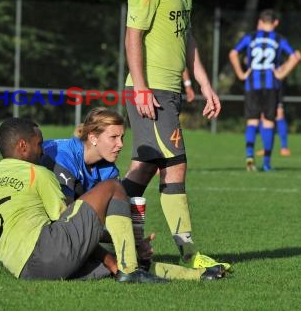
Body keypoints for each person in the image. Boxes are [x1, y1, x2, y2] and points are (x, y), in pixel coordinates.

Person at [0, 117, 166, 283]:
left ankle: (138, 269)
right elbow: (69, 220)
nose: (43, 150)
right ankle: (130, 270)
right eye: (39, 144)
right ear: (22, 146)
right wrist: (118, 250)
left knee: (104, 267)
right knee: (112, 187)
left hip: (25, 272)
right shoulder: (37, 172)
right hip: (48, 253)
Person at [122, 0, 230, 272]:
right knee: (176, 166)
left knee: (144, 168)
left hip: (169, 90)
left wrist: (204, 82)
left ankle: (100, 221)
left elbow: (187, 36)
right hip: (151, 90)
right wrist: (140, 88)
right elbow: (133, 34)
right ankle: (188, 253)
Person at [40, 107, 224, 281]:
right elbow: (66, 220)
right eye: (113, 137)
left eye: (122, 137)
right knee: (116, 262)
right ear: (93, 137)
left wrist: (133, 241)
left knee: (129, 260)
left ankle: (198, 275)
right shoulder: (62, 157)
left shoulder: (108, 170)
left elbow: (102, 221)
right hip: (46, 234)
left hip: (68, 230)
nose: (120, 145)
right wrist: (117, 245)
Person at [229, 9, 299, 171]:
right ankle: (266, 163)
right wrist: (282, 74)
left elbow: (233, 53)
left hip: (251, 84)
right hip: (271, 86)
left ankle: (249, 158)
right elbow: (296, 56)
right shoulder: (279, 39)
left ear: (260, 21)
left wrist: (241, 74)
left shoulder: (250, 37)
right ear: (275, 22)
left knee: (252, 121)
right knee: (268, 122)